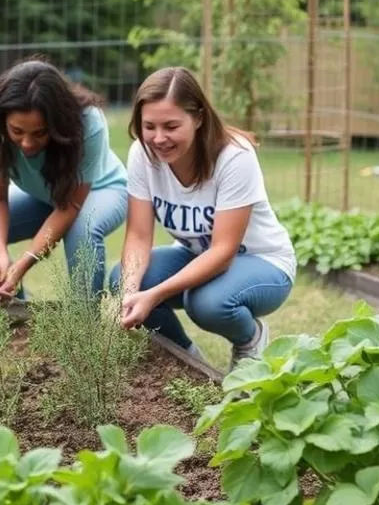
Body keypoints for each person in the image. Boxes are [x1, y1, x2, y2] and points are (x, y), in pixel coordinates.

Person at [110, 67, 296, 370]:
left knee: (206, 302)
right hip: (195, 254)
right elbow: (139, 237)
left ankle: (251, 339)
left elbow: (223, 252)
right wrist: (131, 292)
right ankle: (185, 359)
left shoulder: (234, 156)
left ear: (198, 118)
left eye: (171, 126)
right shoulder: (141, 155)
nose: (159, 138)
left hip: (263, 262)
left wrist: (153, 295)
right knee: (122, 278)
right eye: (149, 126)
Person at [0, 58, 128, 302]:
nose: (27, 143)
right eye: (17, 131)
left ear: (58, 122)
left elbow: (69, 207)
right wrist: (1, 254)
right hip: (44, 194)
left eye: (40, 133)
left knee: (82, 230)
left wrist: (25, 262)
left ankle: (84, 327)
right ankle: (12, 316)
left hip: (102, 190)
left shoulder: (88, 122)